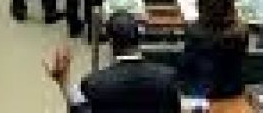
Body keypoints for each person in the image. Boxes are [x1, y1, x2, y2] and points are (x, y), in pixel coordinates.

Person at [45, 12, 181, 112]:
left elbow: (80, 109)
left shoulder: (94, 83)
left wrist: (64, 83)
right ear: (139, 38)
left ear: (110, 42)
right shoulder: (167, 77)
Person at [180, 0, 248, 99]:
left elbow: (187, 64)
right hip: (233, 92)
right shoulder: (241, 32)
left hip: (198, 91)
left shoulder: (194, 31)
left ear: (201, 9)